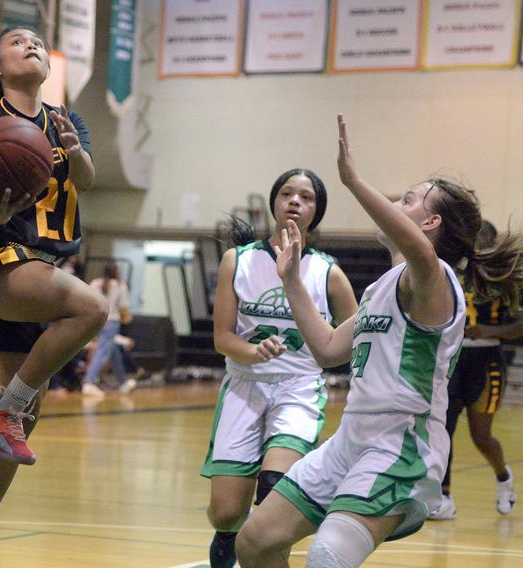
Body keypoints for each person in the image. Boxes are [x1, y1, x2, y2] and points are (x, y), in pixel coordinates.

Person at [236, 115, 523, 568]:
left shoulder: (433, 279)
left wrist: (353, 181)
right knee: (255, 542)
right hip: (351, 438)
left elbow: (422, 253)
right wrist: (291, 279)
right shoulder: (381, 288)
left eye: (407, 199)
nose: (393, 202)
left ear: (429, 222)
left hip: (401, 444)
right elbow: (329, 349)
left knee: (329, 554)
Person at [0, 26, 106, 567]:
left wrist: (75, 153)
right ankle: (0, 411)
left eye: (36, 42)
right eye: (16, 43)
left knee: (22, 424)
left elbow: (88, 180)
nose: (30, 45)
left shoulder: (64, 121)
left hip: (39, 265)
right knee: (93, 306)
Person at [202, 168, 358, 568]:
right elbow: (222, 337)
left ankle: (265, 553)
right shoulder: (236, 261)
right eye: (287, 193)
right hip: (243, 386)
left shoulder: (329, 274)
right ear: (273, 202)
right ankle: (231, 539)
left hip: (299, 387)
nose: (294, 201)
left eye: (306, 197)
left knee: (274, 492)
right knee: (225, 513)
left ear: (316, 211)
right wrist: (251, 352)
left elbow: (358, 337)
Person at [428, 220, 520, 520]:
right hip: (453, 359)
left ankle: (503, 476)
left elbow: (520, 326)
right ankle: (443, 495)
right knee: (444, 428)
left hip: (487, 359)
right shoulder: (450, 271)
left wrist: (488, 330)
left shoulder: (504, 280)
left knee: (481, 436)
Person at [80, 260, 136, 397]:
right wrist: (128, 319)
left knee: (113, 350)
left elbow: (86, 302)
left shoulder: (94, 283)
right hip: (111, 322)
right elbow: (123, 311)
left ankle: (123, 382)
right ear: (117, 272)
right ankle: (89, 382)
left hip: (96, 321)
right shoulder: (120, 285)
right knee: (102, 351)